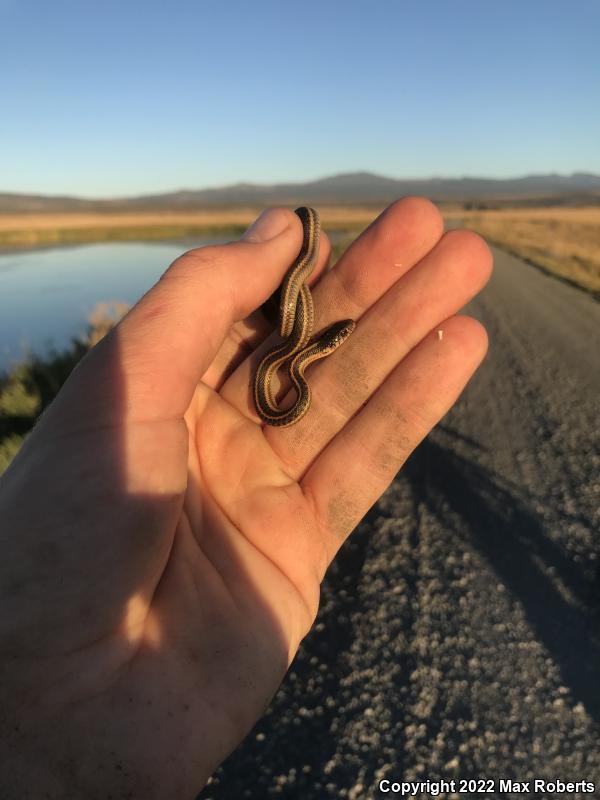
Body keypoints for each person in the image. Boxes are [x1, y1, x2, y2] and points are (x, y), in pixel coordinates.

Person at [0, 198, 492, 798]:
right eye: (332, 338)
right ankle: (301, 237)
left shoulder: (293, 360)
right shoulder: (287, 365)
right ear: (326, 343)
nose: (334, 338)